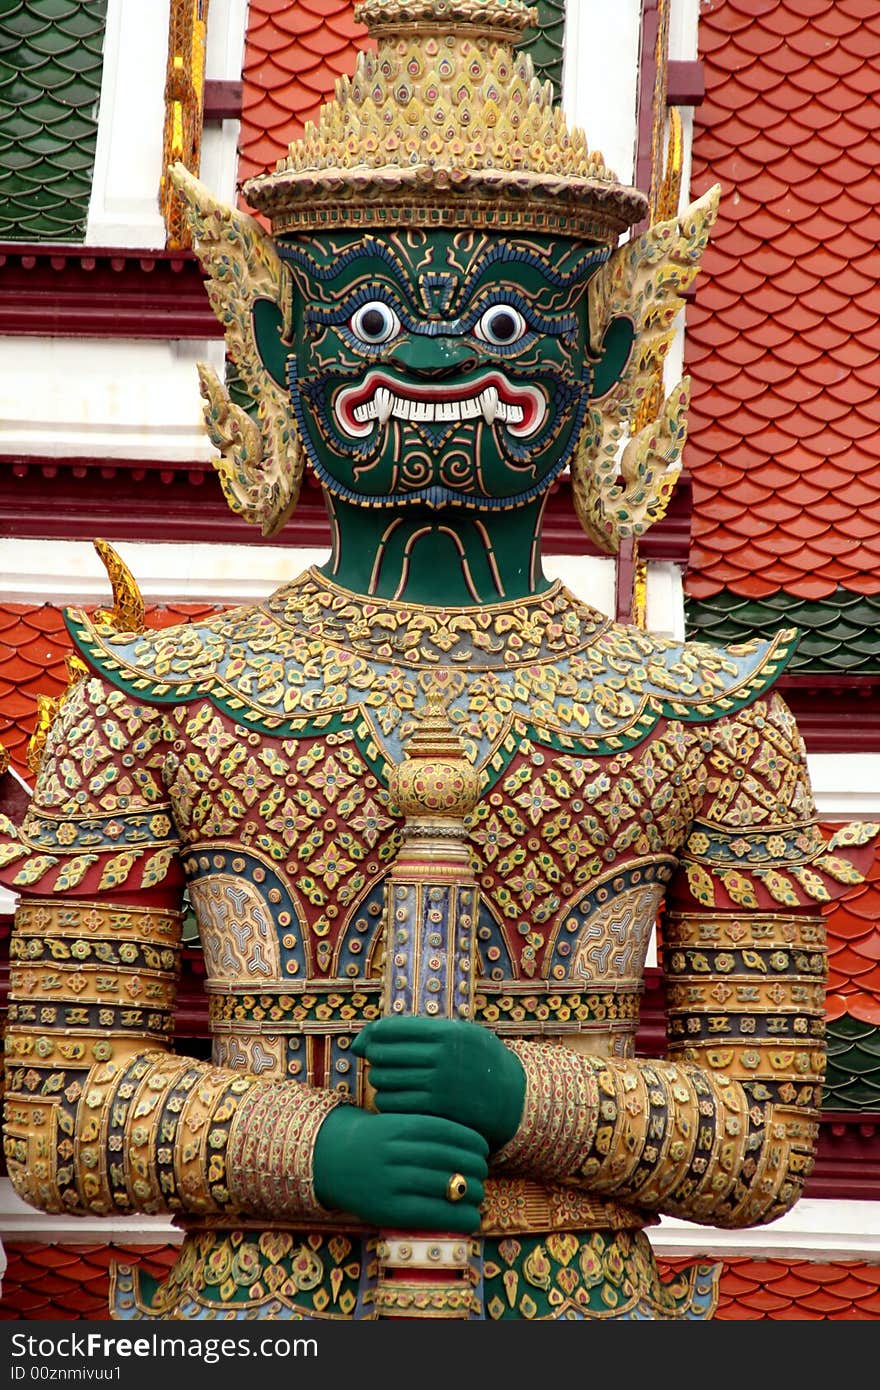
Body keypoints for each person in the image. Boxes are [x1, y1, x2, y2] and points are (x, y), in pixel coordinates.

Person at [2, 0, 876, 1321]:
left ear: (609, 355)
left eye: (508, 326)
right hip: (259, 1322)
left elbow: (760, 1140)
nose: (429, 352)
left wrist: (528, 1097)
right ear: (277, 343)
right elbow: (57, 1115)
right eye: (363, 321)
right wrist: (318, 1149)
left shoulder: (703, 719)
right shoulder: (156, 703)